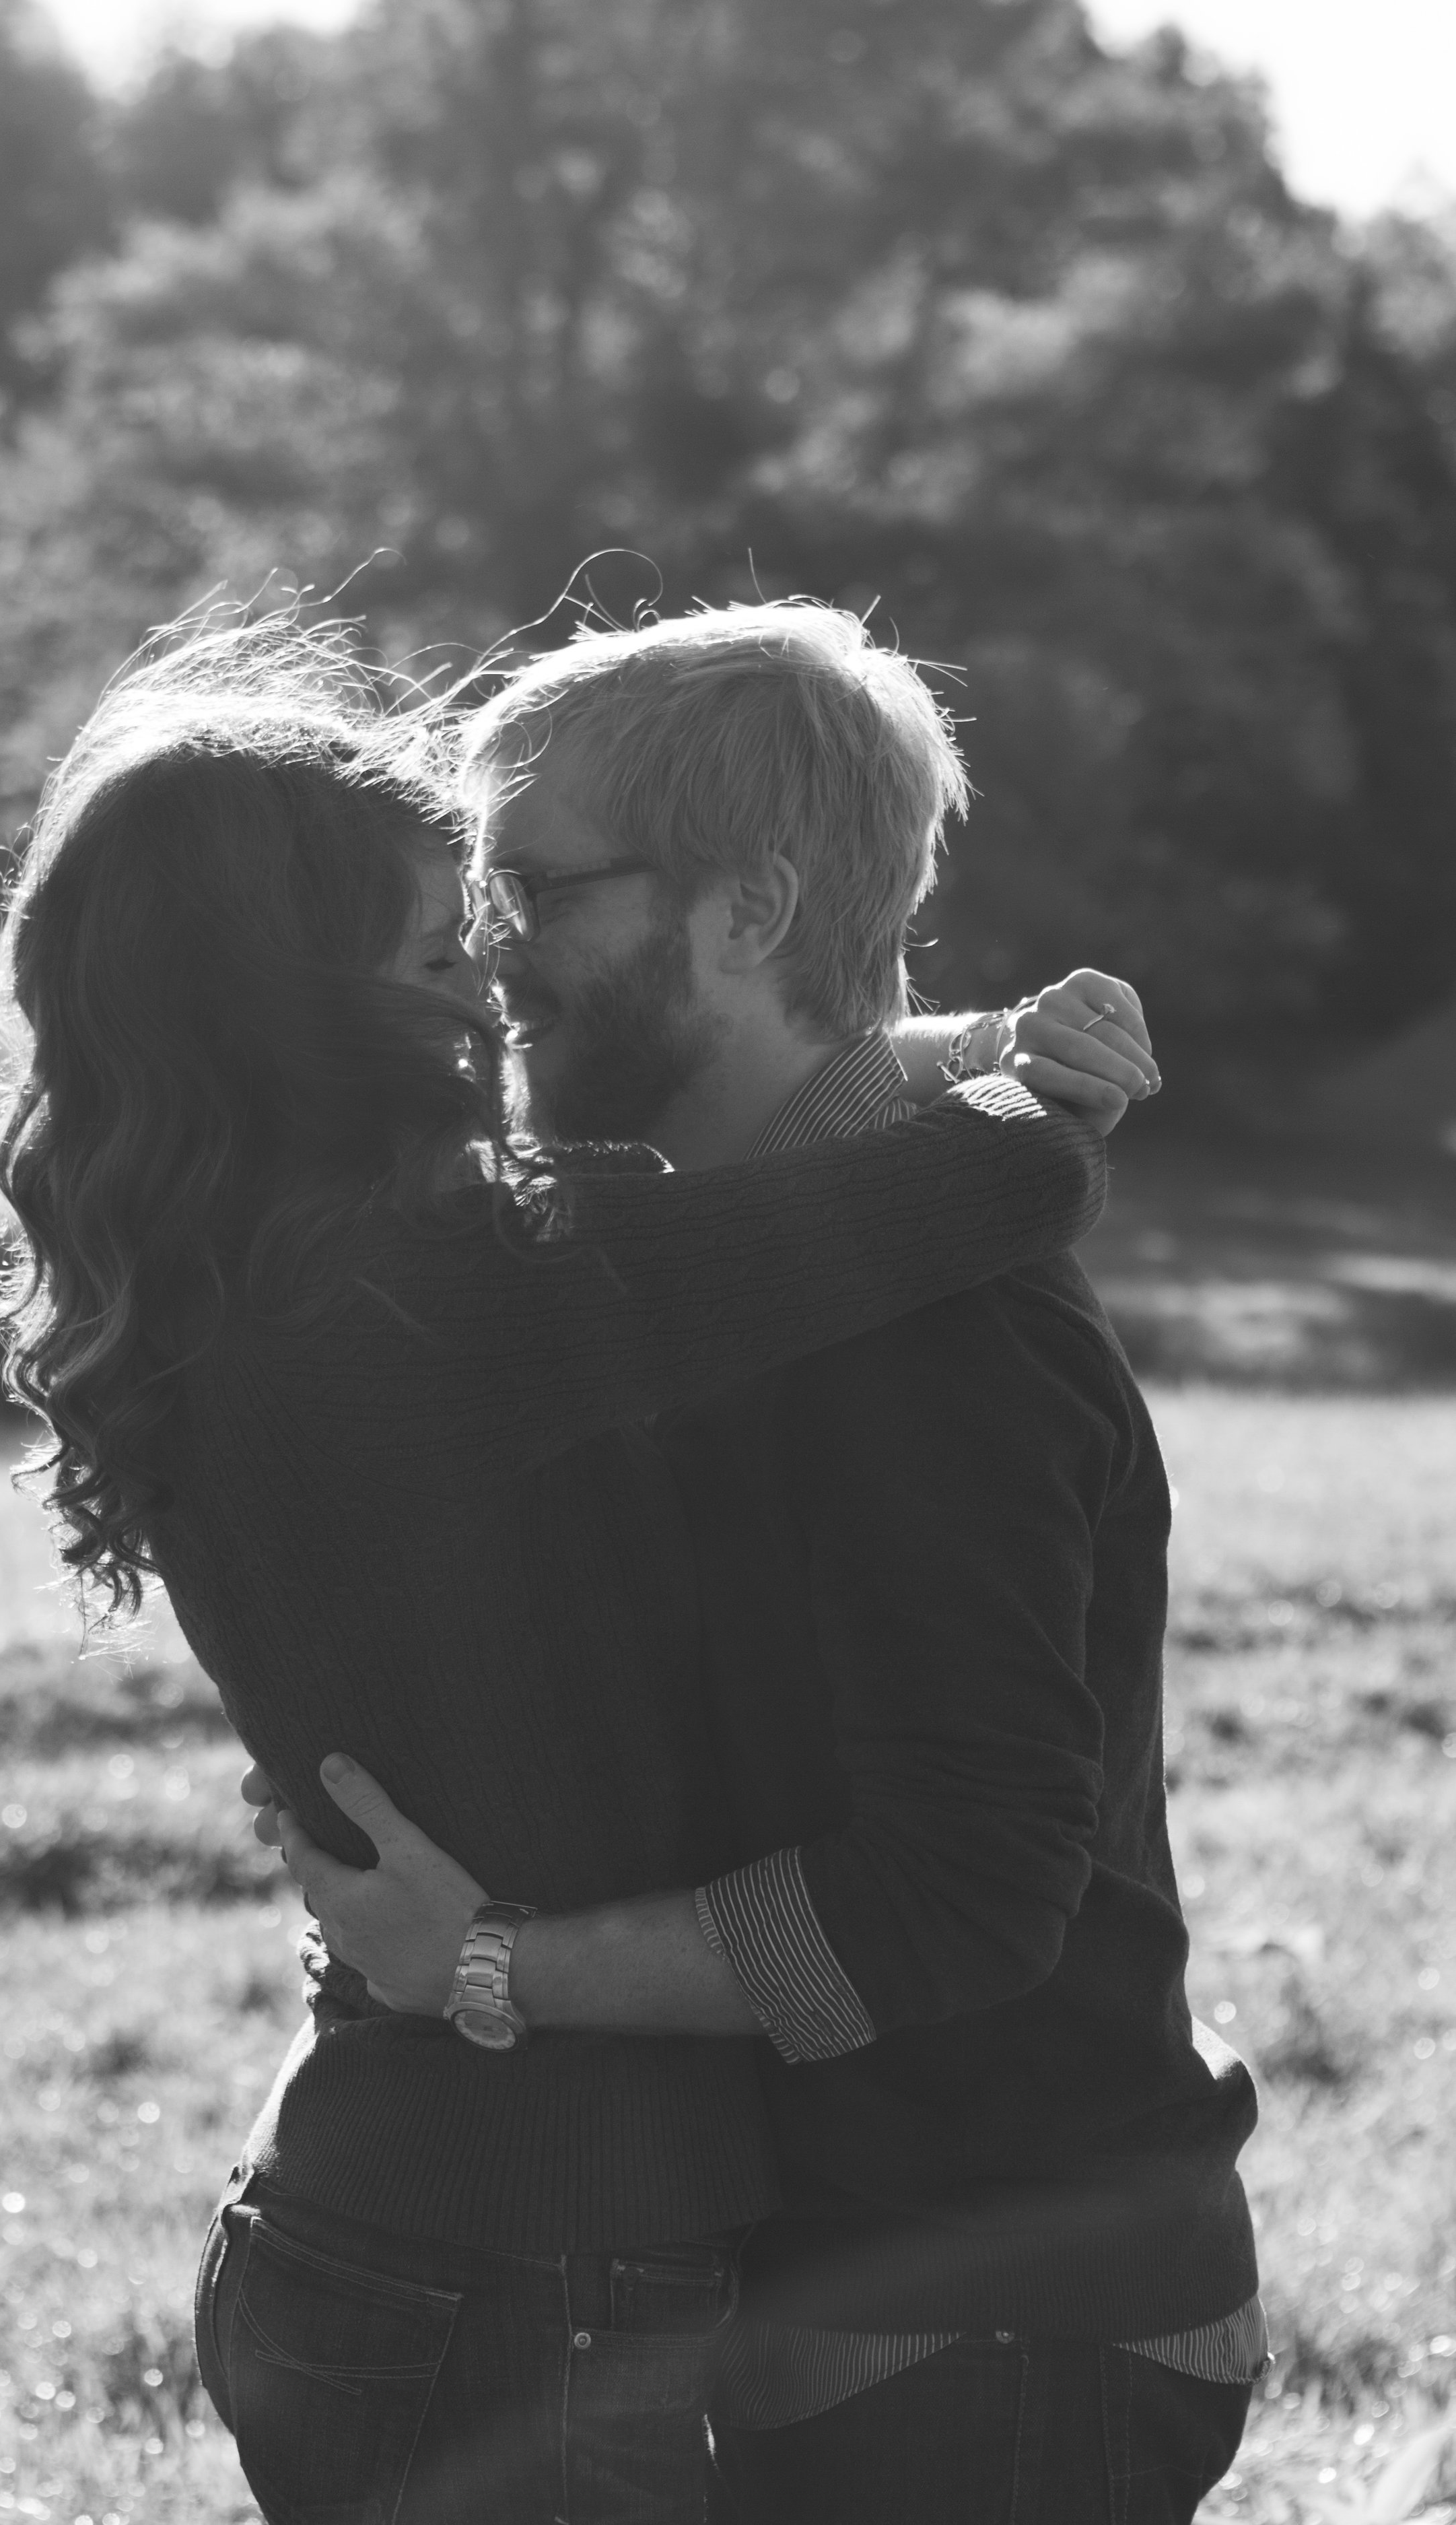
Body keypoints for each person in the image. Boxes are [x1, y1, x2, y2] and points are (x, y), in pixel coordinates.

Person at [0, 616, 1133, 2525]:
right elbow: (939, 1199)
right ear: (297, 1010)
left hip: (434, 2233)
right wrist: (1034, 1101)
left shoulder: (322, 1288)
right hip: (505, 2260)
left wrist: (959, 1045)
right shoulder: (406, 1328)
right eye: (446, 949)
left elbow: (733, 1195)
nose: (496, 983)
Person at [263, 602, 1263, 2525]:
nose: (485, 958)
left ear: (744, 912)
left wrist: (484, 1968)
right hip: (910, 2305)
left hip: (987, 2330)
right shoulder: (764, 1279)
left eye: (528, 890)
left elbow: (962, 1894)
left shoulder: (919, 1343)